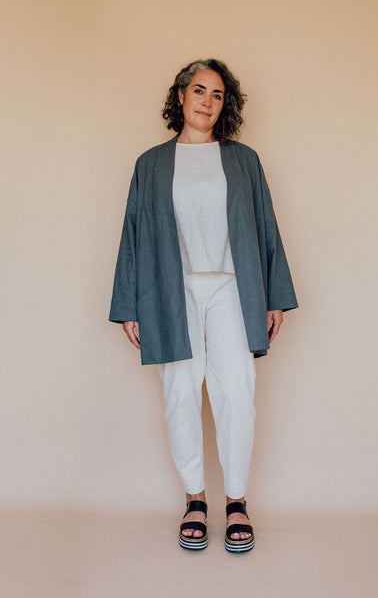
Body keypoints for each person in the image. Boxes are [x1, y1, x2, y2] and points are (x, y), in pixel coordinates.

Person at [109, 59, 298, 553]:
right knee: (179, 393)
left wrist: (274, 296)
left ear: (224, 104)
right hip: (171, 289)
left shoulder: (244, 160)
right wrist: (129, 304)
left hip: (233, 287)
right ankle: (195, 498)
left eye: (217, 94)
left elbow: (266, 226)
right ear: (180, 96)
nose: (207, 102)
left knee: (236, 392)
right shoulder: (151, 164)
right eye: (199, 91)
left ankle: (236, 501)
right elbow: (132, 233)